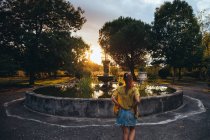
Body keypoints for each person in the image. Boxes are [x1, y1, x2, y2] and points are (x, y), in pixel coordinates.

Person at [112, 73, 140, 140]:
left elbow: (112, 98)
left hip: (122, 112)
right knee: (132, 129)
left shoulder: (119, 88)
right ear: (132, 80)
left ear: (124, 80)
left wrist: (118, 104)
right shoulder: (134, 89)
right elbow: (138, 101)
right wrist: (133, 106)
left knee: (125, 132)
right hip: (131, 112)